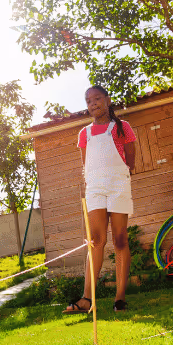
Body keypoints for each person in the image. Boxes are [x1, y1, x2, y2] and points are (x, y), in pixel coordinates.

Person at [64, 85, 137, 314]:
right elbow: (86, 165)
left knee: (120, 239)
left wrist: (122, 176)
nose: (93, 103)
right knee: (95, 240)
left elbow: (130, 158)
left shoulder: (122, 127)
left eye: (97, 98)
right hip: (95, 188)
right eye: (88, 101)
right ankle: (87, 299)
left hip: (118, 185)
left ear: (107, 100)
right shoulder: (84, 134)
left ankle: (120, 298)